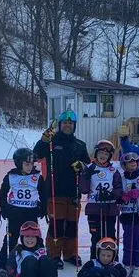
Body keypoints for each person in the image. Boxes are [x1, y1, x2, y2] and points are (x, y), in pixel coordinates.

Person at [32, 110, 90, 268]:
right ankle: (54, 254)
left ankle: (70, 254)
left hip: (73, 191)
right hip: (54, 190)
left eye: (70, 123)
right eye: (65, 123)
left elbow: (88, 164)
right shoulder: (52, 142)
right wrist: (43, 140)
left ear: (74, 126)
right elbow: (35, 155)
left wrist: (82, 166)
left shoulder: (80, 145)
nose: (67, 125)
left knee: (72, 224)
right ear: (60, 125)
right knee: (56, 224)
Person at [0, 148, 47, 277]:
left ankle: (39, 263)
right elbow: (3, 192)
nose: (29, 166)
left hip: (30, 212)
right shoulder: (11, 176)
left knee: (34, 239)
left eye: (31, 164)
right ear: (19, 163)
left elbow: (44, 194)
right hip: (15, 212)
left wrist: (43, 208)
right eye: (26, 163)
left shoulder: (37, 177)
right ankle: (4, 266)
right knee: (10, 240)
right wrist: (4, 208)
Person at [81, 140, 123, 260]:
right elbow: (83, 190)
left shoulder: (113, 170)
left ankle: (112, 261)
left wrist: (112, 195)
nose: (103, 156)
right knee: (96, 237)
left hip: (110, 209)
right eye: (101, 153)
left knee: (110, 236)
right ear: (96, 153)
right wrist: (86, 176)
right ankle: (94, 261)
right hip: (94, 208)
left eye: (106, 154)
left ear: (109, 156)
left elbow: (119, 188)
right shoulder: (89, 168)